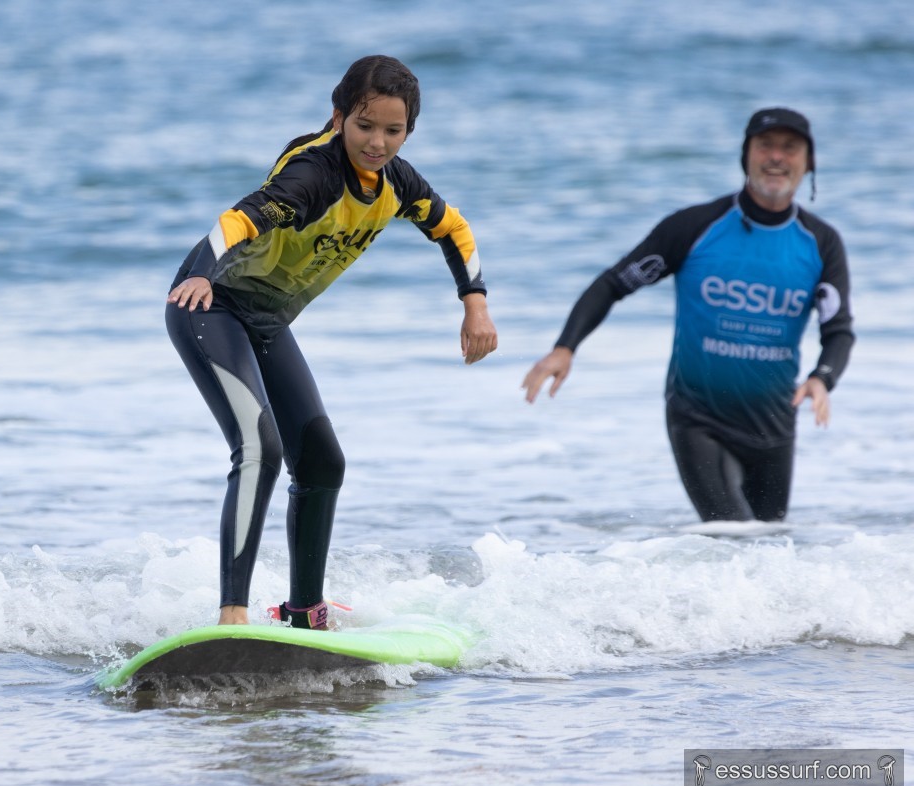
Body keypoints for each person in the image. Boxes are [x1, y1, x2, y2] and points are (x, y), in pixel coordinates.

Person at [166, 55, 498, 628]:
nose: (377, 142)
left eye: (393, 131)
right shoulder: (313, 175)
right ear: (338, 115)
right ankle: (232, 618)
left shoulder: (398, 182)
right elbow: (238, 220)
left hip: (268, 321)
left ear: (408, 131)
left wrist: (475, 304)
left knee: (322, 464)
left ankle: (305, 613)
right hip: (210, 307)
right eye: (365, 126)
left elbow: (454, 228)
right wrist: (200, 272)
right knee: (260, 451)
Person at [521, 108, 854, 523]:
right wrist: (564, 347)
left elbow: (838, 330)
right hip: (699, 418)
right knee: (734, 535)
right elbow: (613, 283)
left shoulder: (821, 244)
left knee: (769, 548)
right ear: (745, 155)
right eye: (765, 145)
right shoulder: (695, 227)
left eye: (790, 148)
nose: (776, 157)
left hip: (774, 425)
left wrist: (823, 377)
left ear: (809, 163)